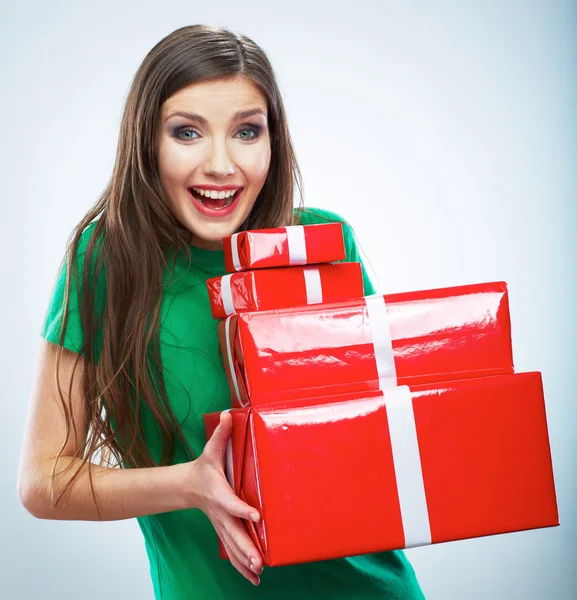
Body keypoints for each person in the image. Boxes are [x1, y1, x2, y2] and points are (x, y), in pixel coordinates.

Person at [17, 24, 426, 599]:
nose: (220, 164)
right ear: (146, 144)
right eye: (187, 132)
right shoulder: (105, 263)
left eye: (246, 132)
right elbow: (44, 482)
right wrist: (191, 486)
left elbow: (379, 436)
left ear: (272, 142)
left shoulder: (321, 244)